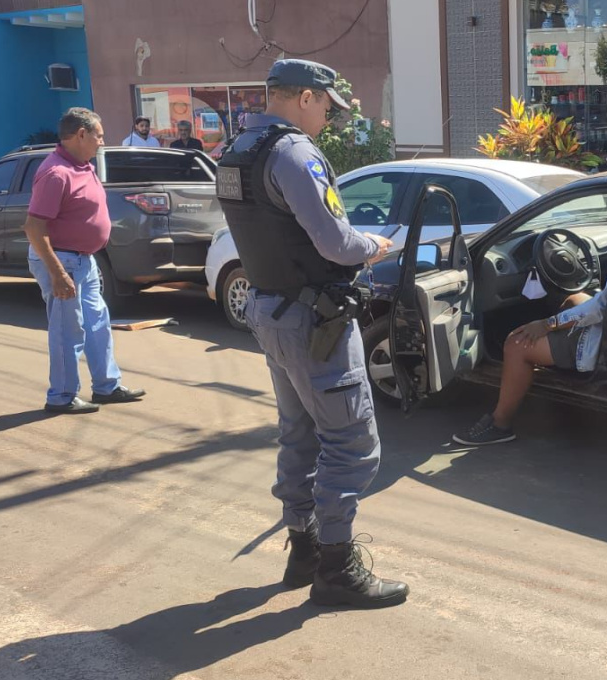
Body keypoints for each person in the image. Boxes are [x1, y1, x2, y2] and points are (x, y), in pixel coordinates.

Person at [216, 58, 404, 609]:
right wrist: (375, 246)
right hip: (312, 318)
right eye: (326, 104)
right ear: (303, 97)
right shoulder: (294, 152)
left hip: (270, 309)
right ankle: (337, 570)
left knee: (299, 432)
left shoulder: (238, 151)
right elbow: (336, 245)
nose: (329, 116)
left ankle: (303, 548)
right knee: (351, 445)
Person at [22, 108, 146, 414]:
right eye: (99, 135)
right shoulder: (56, 173)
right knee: (68, 330)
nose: (102, 142)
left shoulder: (82, 165)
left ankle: (107, 386)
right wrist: (58, 273)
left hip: (84, 261)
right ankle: (61, 396)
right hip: (62, 261)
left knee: (98, 323)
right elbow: (33, 227)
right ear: (81, 134)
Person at [454, 283, 607, 446]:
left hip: (597, 334)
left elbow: (598, 309)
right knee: (573, 299)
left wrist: (546, 324)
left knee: (516, 345)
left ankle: (499, 424)